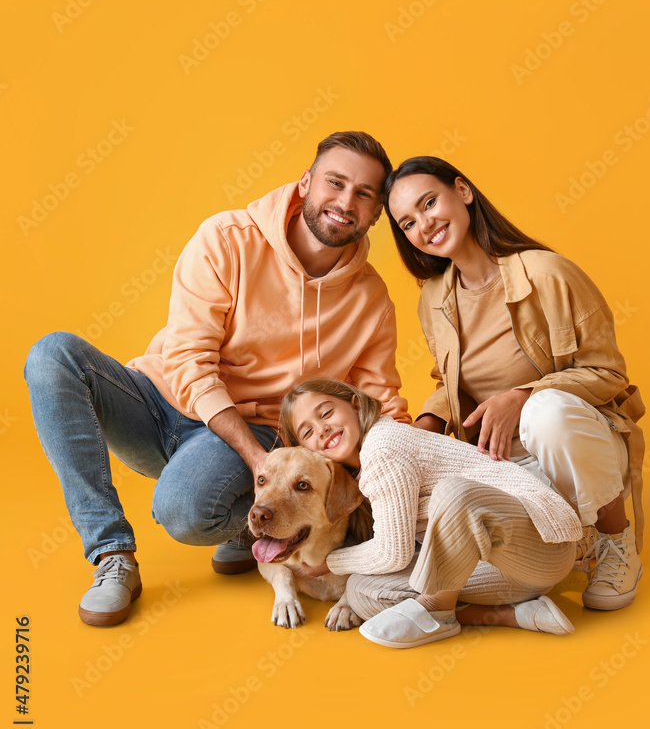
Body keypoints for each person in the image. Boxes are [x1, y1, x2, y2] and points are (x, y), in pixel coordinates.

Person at [23, 131, 410, 627]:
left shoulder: (371, 301)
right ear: (306, 182)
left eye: (364, 194)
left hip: (258, 429)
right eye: (335, 183)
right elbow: (188, 355)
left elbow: (378, 402)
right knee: (52, 354)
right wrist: (258, 465)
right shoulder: (226, 239)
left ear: (376, 213)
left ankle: (246, 525)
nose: (344, 202)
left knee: (185, 511)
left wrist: (422, 465)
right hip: (163, 399)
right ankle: (111, 554)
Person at [381, 155, 645, 611]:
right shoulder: (434, 297)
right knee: (390, 445)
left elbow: (608, 373)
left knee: (547, 413)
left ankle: (613, 538)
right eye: (407, 222)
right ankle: (554, 554)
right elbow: (449, 382)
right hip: (503, 465)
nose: (424, 224)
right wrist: (421, 429)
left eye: (429, 203)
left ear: (462, 191)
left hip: (577, 446)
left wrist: (522, 397)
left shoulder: (547, 273)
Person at [279, 378, 583, 649]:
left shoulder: (383, 447)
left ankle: (437, 613)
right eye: (307, 432)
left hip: (540, 549)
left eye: (326, 413)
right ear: (306, 450)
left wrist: (330, 563)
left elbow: (392, 554)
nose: (322, 429)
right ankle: (515, 614)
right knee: (362, 592)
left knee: (452, 494)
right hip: (499, 573)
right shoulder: (359, 472)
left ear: (355, 405)